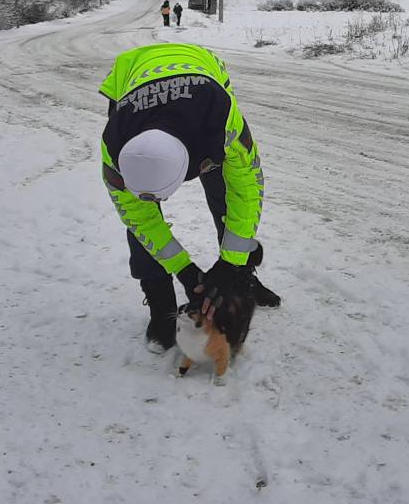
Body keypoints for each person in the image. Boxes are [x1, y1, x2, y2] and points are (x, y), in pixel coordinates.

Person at [99, 42, 281, 353]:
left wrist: (231, 264)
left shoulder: (220, 122)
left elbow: (247, 188)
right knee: (140, 222)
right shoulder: (114, 146)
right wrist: (183, 269)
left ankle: (240, 277)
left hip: (201, 69)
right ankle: (159, 301)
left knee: (225, 193)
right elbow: (139, 219)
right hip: (131, 76)